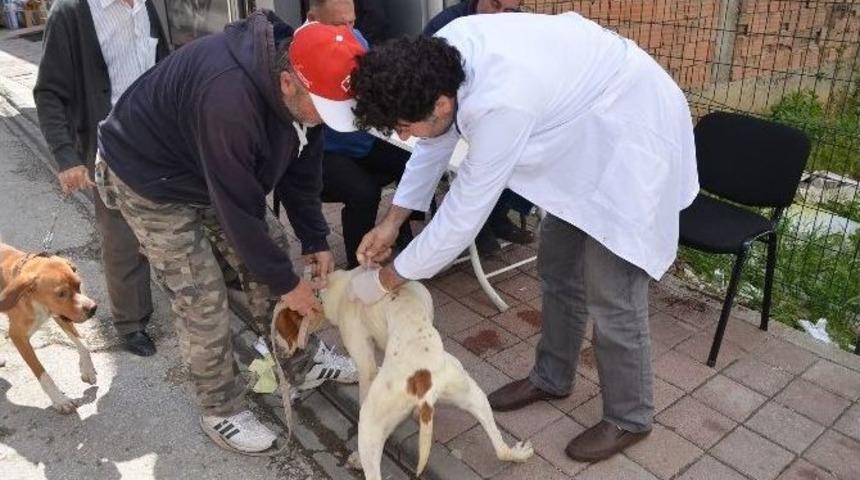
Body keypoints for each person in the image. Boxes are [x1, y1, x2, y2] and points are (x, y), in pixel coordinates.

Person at [339, 13, 699, 461]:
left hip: (632, 129)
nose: (400, 135)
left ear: (442, 106)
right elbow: (432, 146)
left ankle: (630, 416)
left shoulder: (499, 104)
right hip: (580, 131)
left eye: (404, 126)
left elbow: (462, 217)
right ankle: (552, 377)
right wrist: (392, 222)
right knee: (558, 268)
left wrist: (385, 279)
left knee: (613, 291)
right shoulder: (437, 61)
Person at [94, 12, 357, 454]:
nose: (327, 120)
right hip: (148, 176)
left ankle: (299, 362)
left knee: (272, 250)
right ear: (288, 82)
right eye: (323, 109)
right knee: (201, 292)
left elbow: (302, 163)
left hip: (205, 166)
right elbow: (236, 211)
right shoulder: (228, 98)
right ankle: (221, 409)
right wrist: (290, 287)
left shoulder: (301, 91)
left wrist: (314, 237)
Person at [33, 0, 170, 357]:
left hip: (158, 140)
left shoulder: (144, 6)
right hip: (108, 148)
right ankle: (132, 323)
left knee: (175, 223)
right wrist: (67, 156)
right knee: (122, 240)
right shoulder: (71, 13)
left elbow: (166, 64)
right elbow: (48, 92)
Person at [305, 0, 414, 269]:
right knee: (364, 192)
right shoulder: (301, 53)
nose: (348, 30)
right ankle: (359, 265)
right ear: (312, 18)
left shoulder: (356, 38)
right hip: (320, 149)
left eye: (351, 21)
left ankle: (401, 231)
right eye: (339, 24)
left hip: (362, 139)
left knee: (415, 161)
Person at [424, 0, 535, 254]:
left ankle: (495, 214)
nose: (500, 15)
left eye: (509, 10)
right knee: (469, 164)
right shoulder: (446, 25)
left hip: (501, 114)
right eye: (495, 5)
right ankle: (475, 224)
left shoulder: (519, 26)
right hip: (454, 116)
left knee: (523, 158)